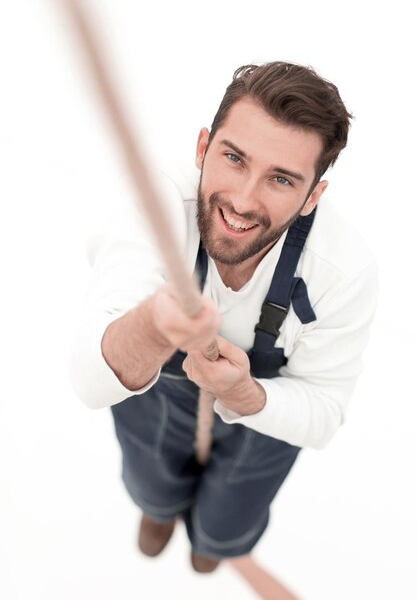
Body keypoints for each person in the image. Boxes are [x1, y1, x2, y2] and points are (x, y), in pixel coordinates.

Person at [70, 62, 378, 573]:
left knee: (229, 519)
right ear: (202, 148)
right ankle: (159, 509)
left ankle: (213, 539)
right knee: (150, 479)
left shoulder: (342, 271)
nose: (242, 200)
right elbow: (88, 380)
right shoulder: (157, 201)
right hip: (156, 403)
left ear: (312, 197)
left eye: (281, 179)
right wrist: (153, 326)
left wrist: (244, 394)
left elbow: (323, 412)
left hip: (263, 424)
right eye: (234, 158)